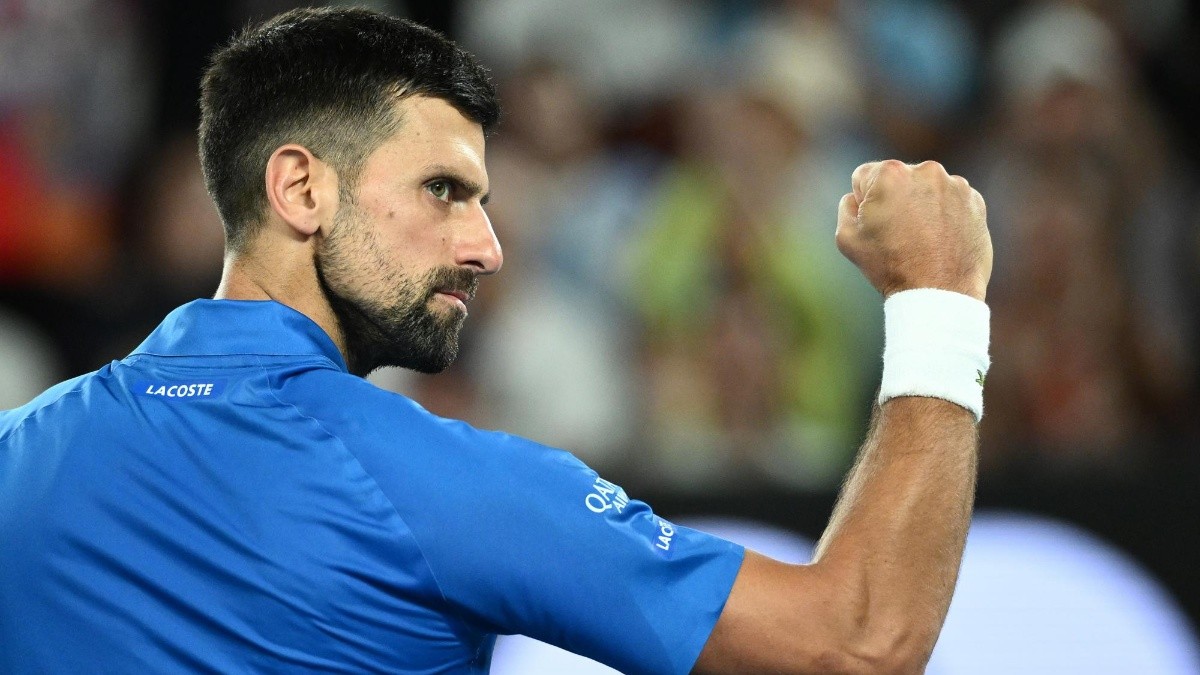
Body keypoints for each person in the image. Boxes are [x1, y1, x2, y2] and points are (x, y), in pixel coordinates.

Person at [0, 7, 992, 674]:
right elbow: (859, 640)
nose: (486, 245)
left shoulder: (18, 455)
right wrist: (939, 298)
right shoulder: (431, 480)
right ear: (301, 189)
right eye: (443, 191)